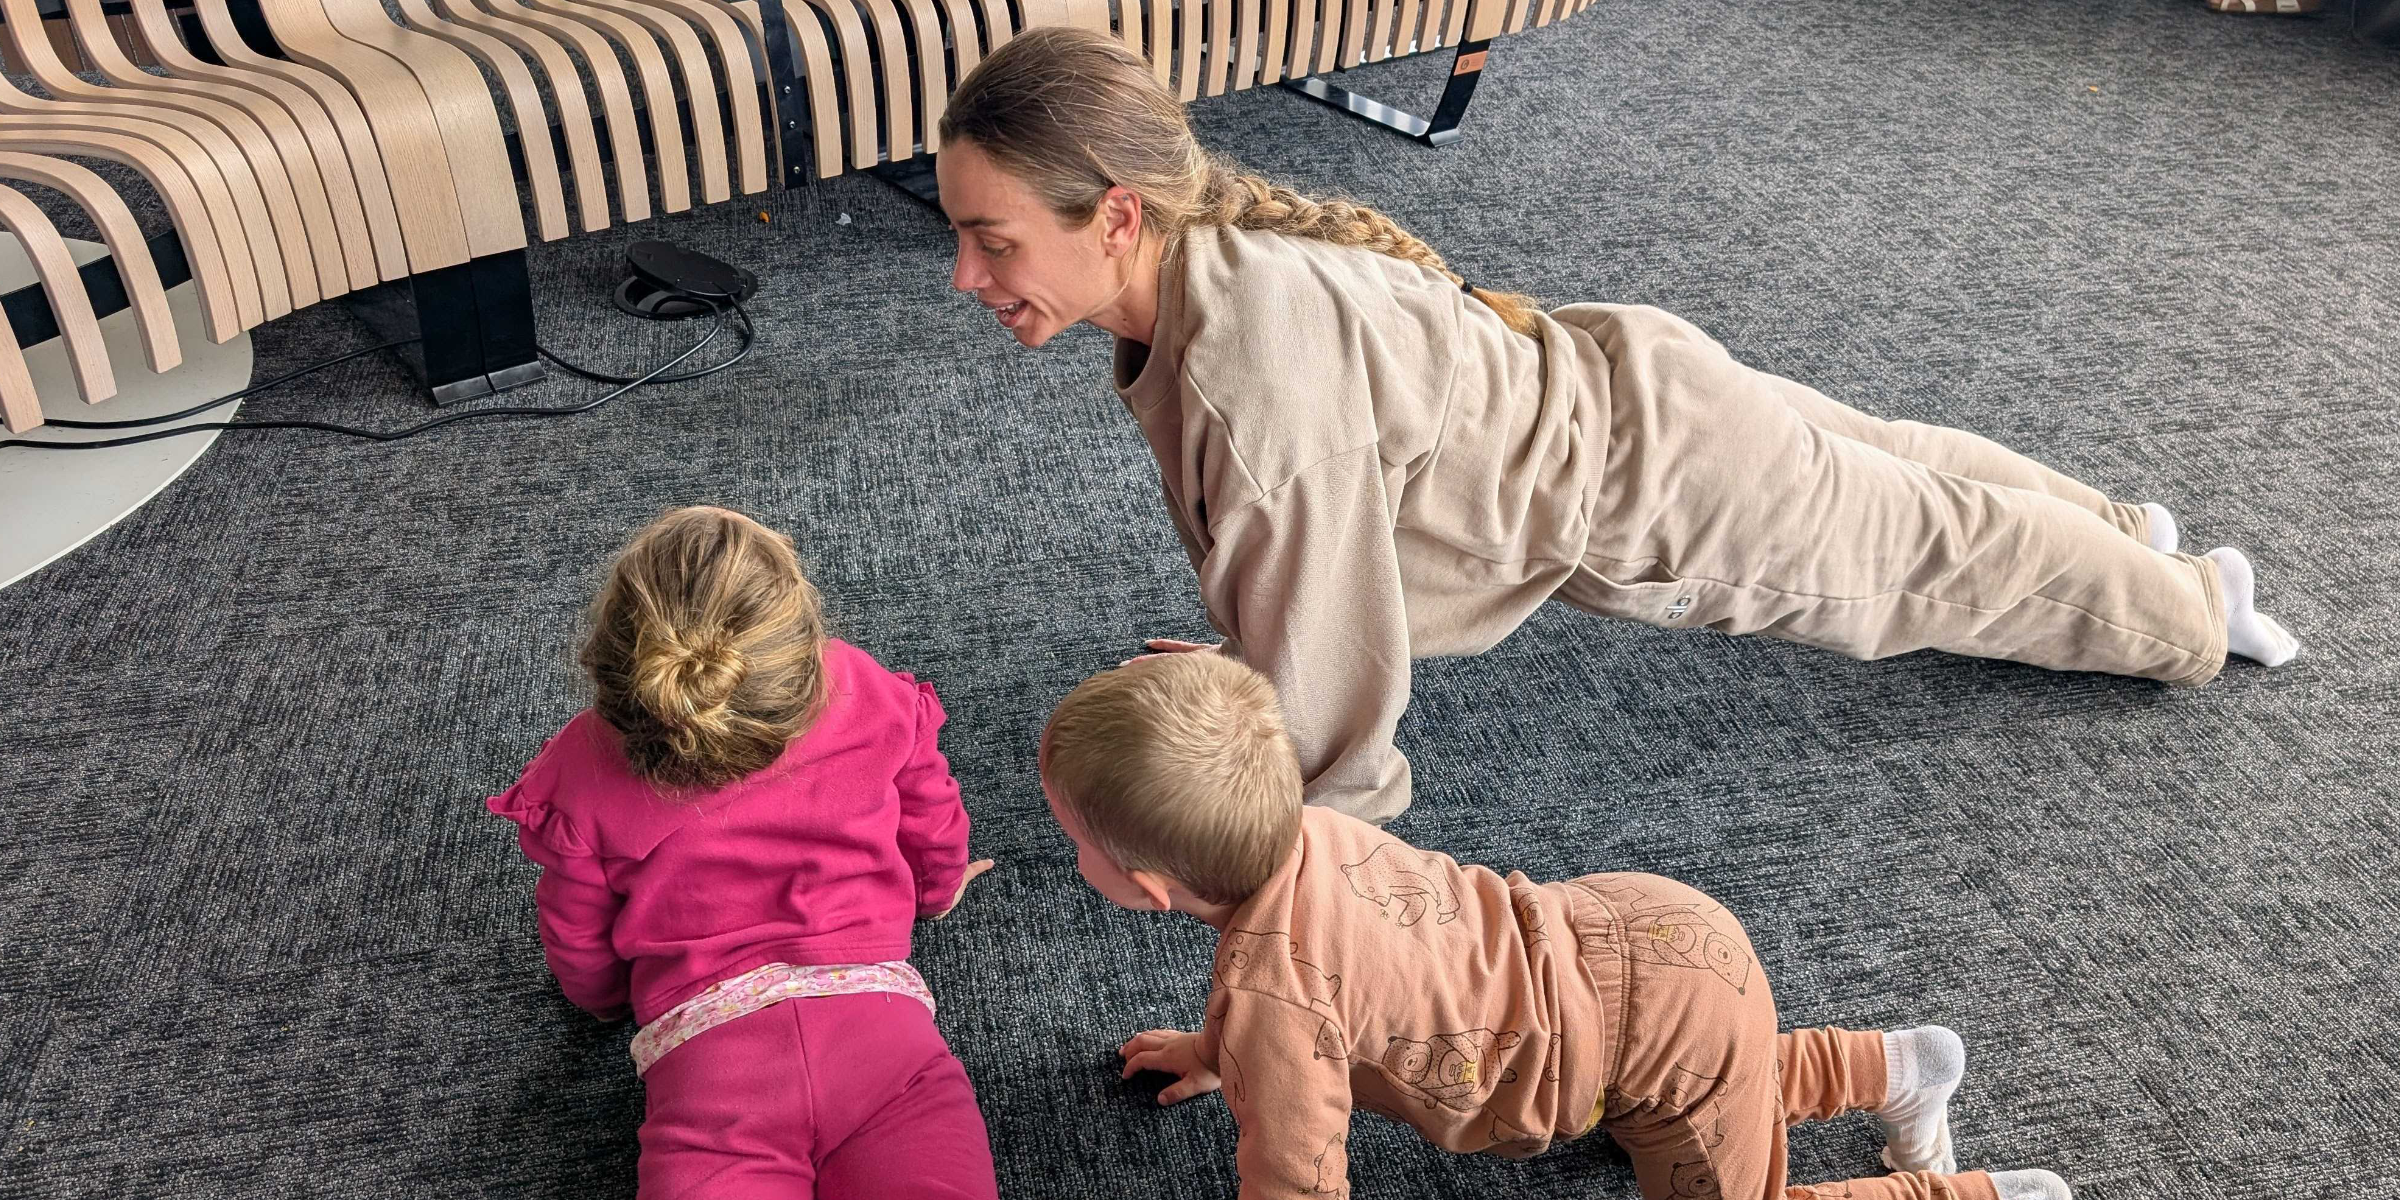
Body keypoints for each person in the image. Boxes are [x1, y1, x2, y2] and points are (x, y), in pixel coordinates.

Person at [934, 27, 2300, 824]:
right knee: (1899, 468)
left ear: (1115, 215)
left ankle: (2183, 612)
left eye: (992, 243)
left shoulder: (1246, 382)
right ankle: (2134, 533)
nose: (969, 278)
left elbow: (1338, 724)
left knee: (1933, 557)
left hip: (1656, 494)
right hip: (1624, 373)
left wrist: (1287, 795)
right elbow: (1315, 544)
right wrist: (1249, 651)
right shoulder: (1209, 264)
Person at [1041, 651, 2073, 1200]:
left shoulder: (1276, 1003)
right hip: (1634, 926)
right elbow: (1324, 988)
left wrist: (1248, 1051)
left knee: (1714, 1148)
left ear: (1147, 885)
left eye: (1072, 841)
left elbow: (1298, 1177)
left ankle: (1989, 1194)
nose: (1067, 855)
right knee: (1704, 1087)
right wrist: (1219, 1050)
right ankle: (1894, 1067)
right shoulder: (1304, 827)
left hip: (1644, 1029)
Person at [488, 505, 999, 1200]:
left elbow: (575, 933)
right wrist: (937, 892)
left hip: (709, 1071)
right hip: (884, 1041)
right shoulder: (865, 688)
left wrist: (605, 1004)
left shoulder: (579, 766)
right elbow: (932, 820)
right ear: (799, 651)